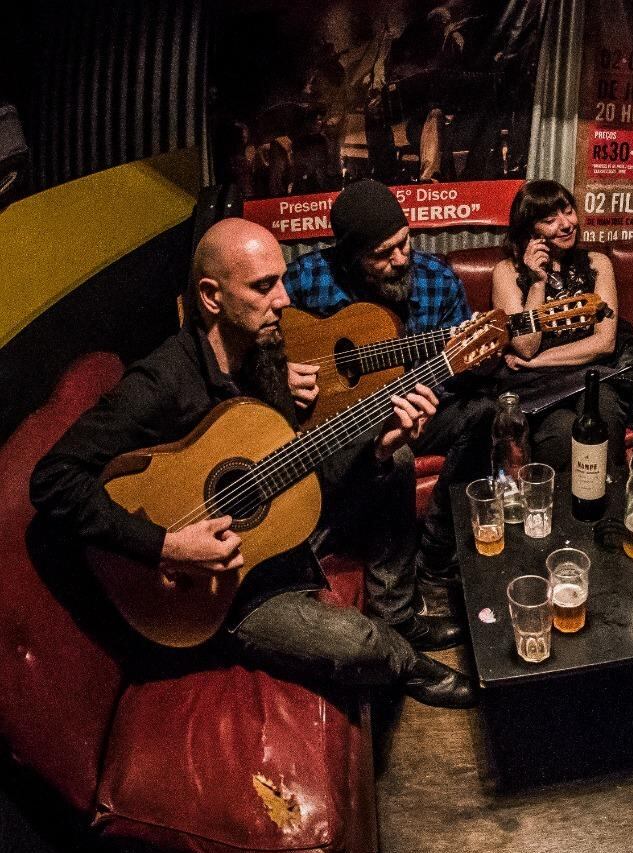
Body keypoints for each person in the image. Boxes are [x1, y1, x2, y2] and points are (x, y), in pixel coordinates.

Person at [29, 218, 476, 709]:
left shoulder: (263, 355)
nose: (283, 300)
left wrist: (378, 448)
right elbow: (52, 479)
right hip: (219, 590)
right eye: (263, 287)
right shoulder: (159, 383)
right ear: (211, 296)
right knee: (358, 644)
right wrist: (169, 544)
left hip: (276, 529)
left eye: (281, 281)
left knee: (397, 460)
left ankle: (398, 615)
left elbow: (291, 466)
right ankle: (403, 659)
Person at [283, 179, 494, 572]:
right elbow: (253, 341)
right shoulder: (307, 279)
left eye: (404, 242)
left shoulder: (438, 280)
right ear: (349, 258)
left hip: (418, 408)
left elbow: (462, 369)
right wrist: (280, 374)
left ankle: (438, 553)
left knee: (483, 412)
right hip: (340, 423)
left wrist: (471, 362)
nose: (400, 259)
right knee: (393, 455)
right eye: (383, 254)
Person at [490, 179, 627, 470]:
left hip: (590, 374)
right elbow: (525, 347)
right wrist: (537, 282)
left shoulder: (597, 263)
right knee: (563, 432)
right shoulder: (506, 273)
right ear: (530, 231)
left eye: (567, 211)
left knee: (604, 413)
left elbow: (605, 342)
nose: (565, 225)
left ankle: (612, 501)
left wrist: (539, 361)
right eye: (550, 220)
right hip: (536, 387)